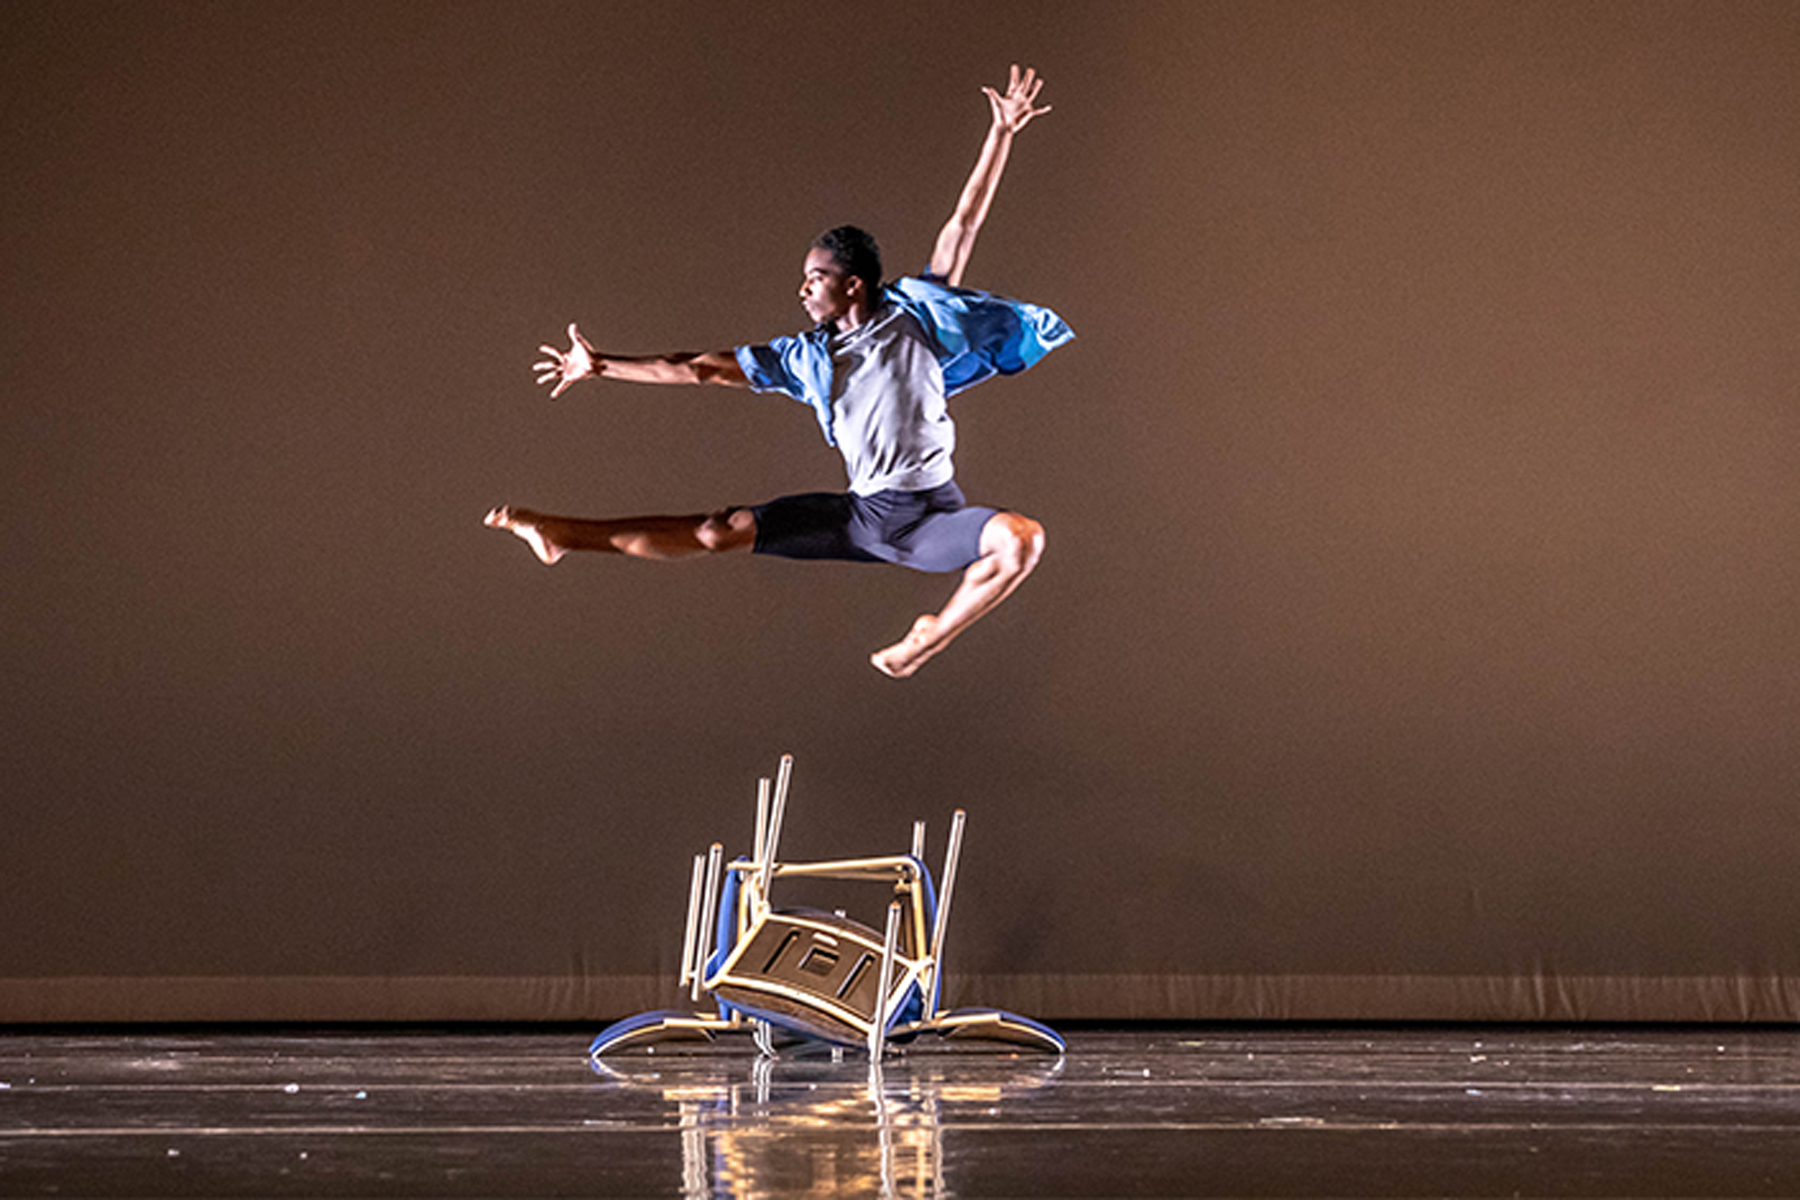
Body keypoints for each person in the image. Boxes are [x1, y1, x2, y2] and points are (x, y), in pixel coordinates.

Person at [486, 65, 1071, 678]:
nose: (802, 290)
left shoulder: (914, 316)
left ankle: (927, 640)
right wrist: (603, 365)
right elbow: (697, 369)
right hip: (864, 518)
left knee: (1022, 539)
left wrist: (1001, 134)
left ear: (853, 283)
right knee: (717, 531)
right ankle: (560, 537)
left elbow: (963, 224)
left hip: (934, 518)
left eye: (814, 278)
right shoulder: (804, 359)